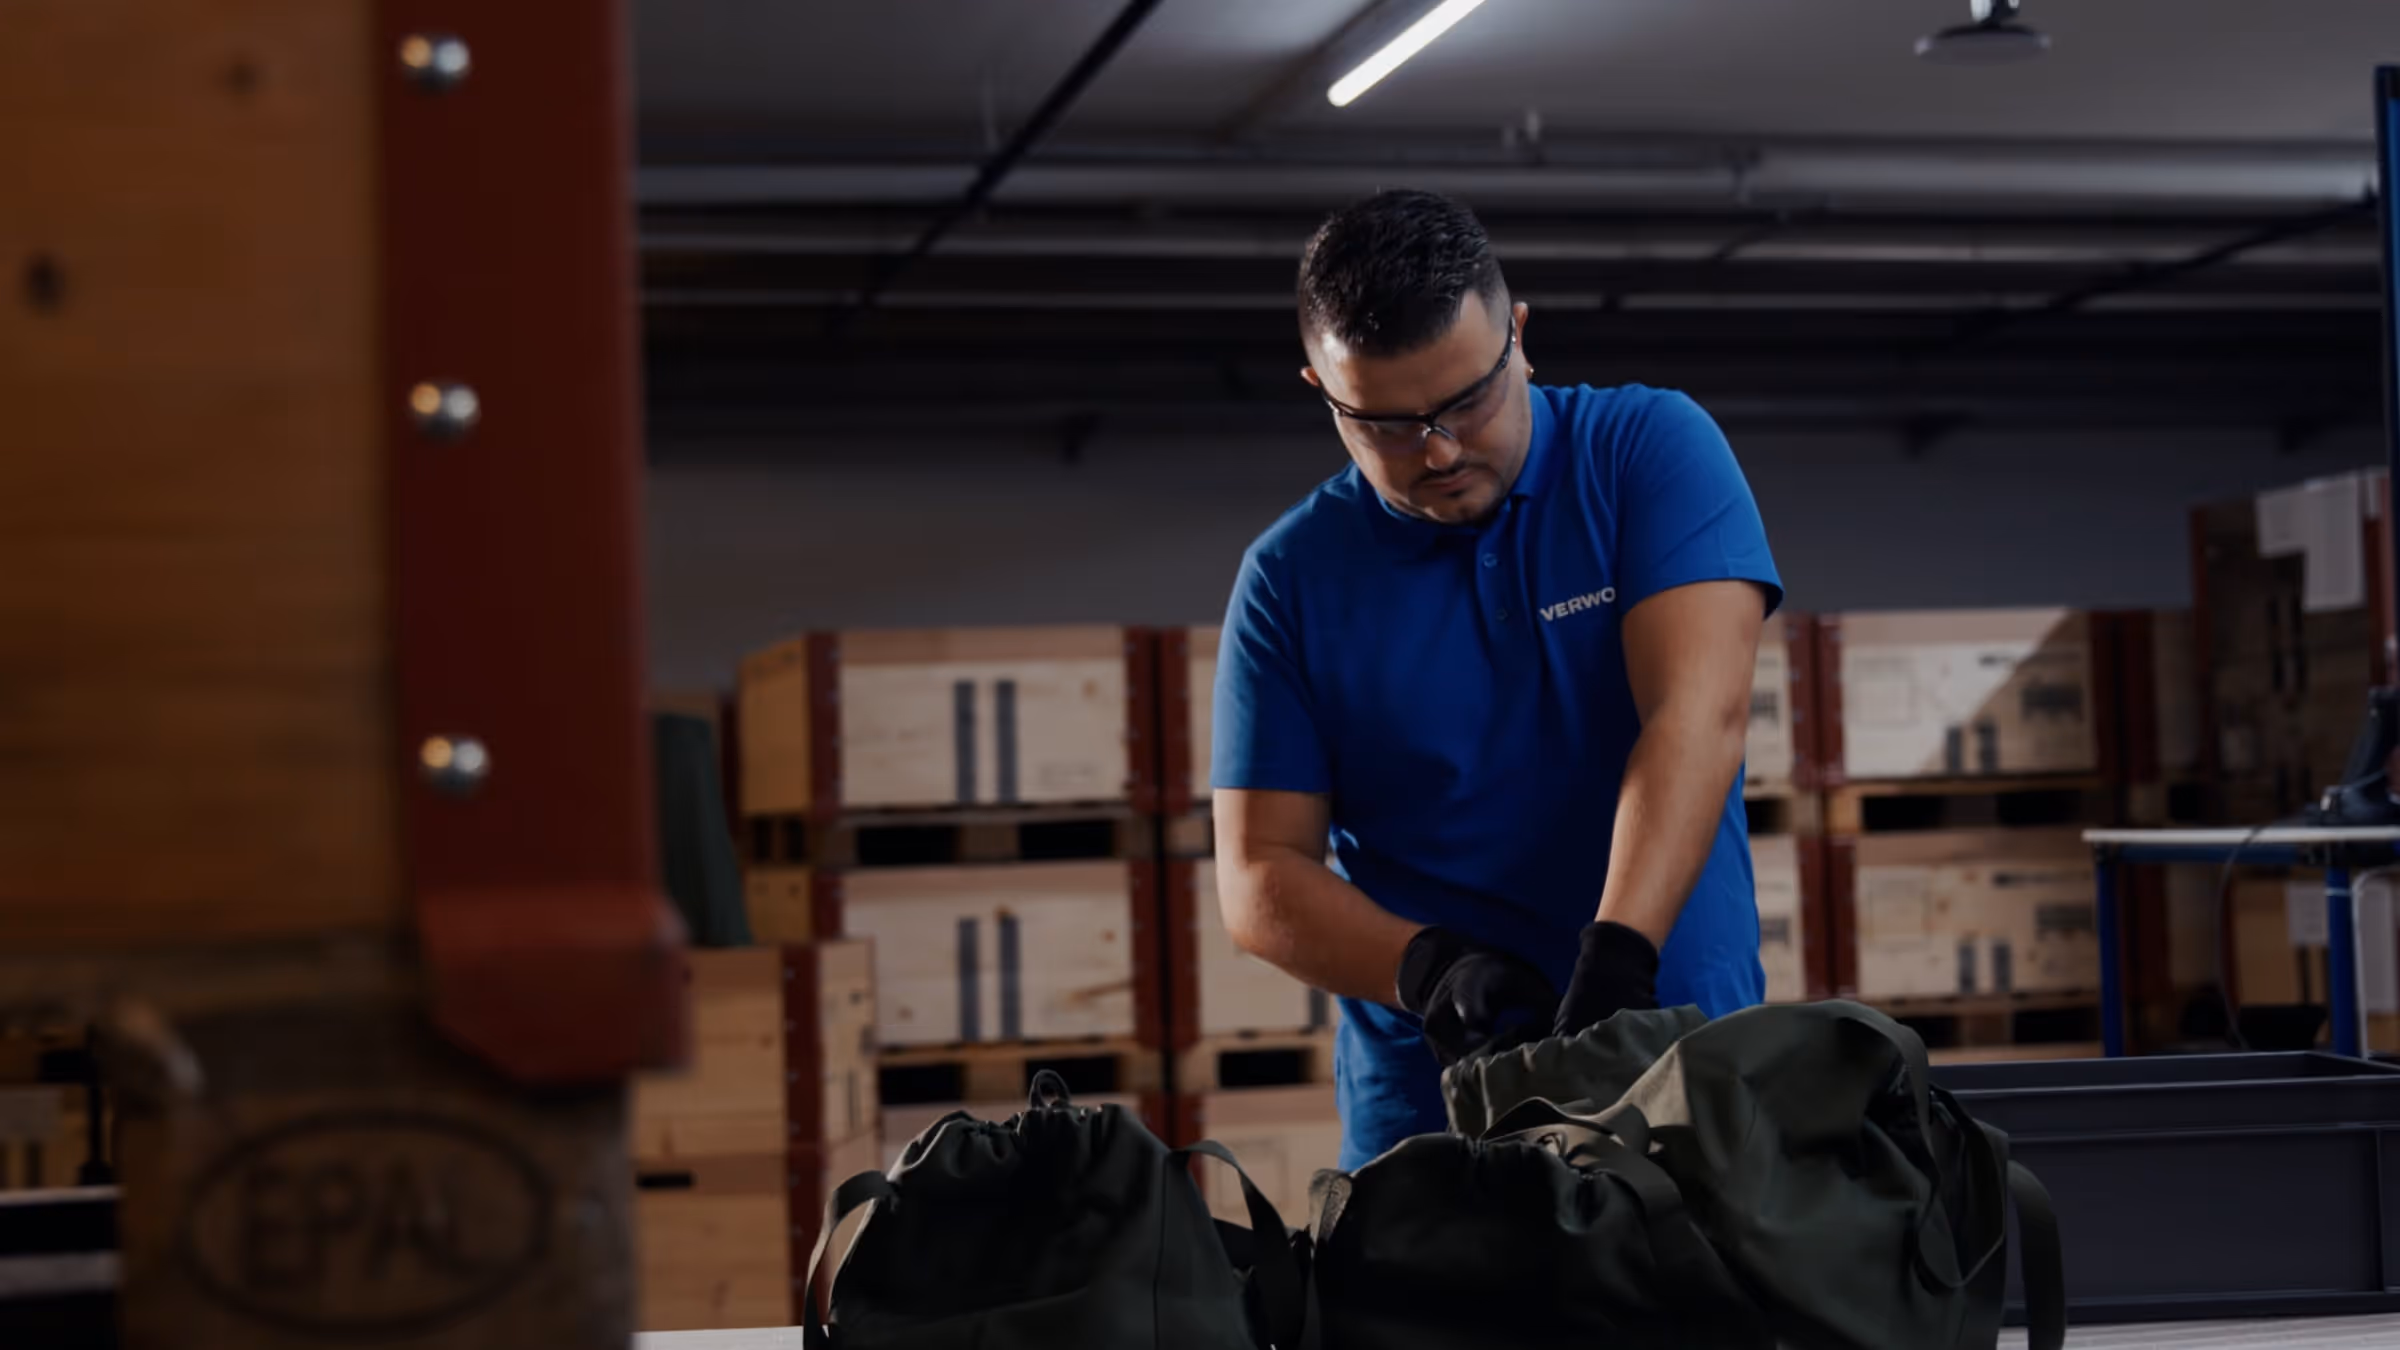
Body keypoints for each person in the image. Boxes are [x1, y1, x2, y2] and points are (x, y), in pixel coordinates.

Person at [1208, 188, 1784, 1170]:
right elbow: (1261, 876)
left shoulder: (1648, 451)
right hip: (1433, 1110)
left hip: (1676, 1065)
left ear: (1518, 337)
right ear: (1321, 390)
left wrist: (1620, 955)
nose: (1436, 451)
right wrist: (1422, 966)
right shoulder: (1290, 581)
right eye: (1385, 425)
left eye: (1466, 402)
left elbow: (1696, 715)